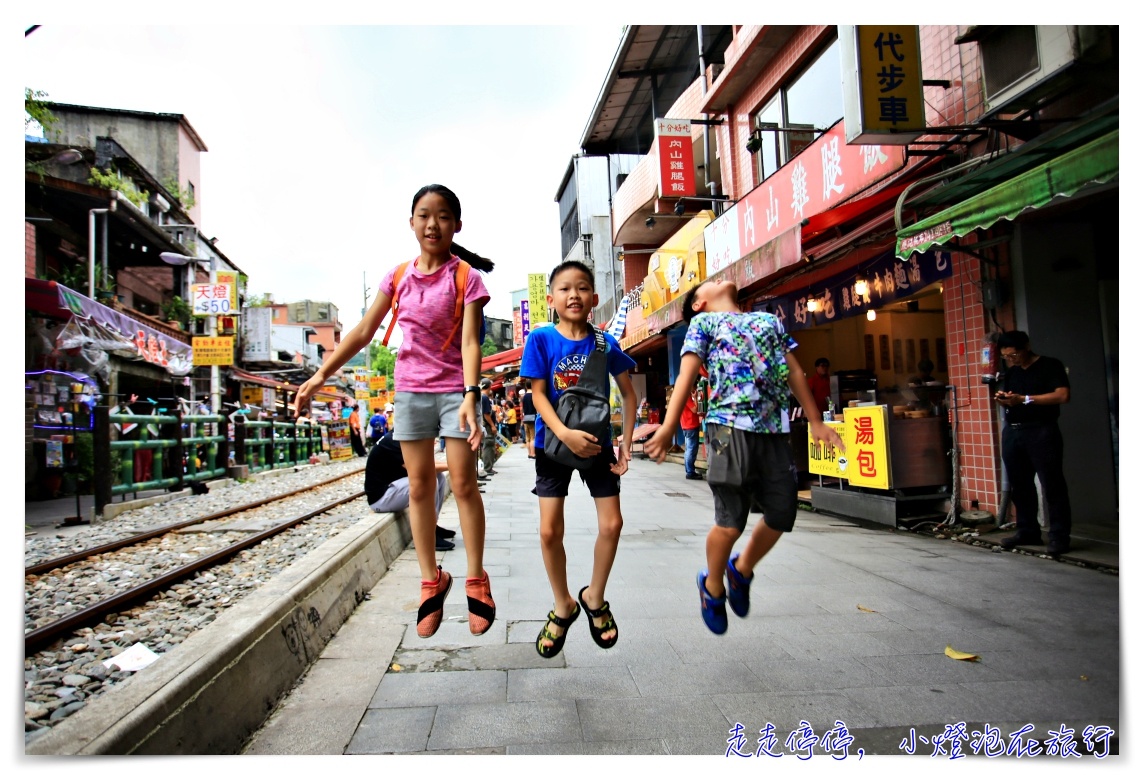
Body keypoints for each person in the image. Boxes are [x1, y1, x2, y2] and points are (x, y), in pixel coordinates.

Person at [295, 183, 495, 639]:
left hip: (454, 392)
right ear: (411, 223)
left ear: (456, 225)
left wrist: (471, 393)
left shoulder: (466, 278)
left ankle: (477, 579)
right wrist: (321, 375)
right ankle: (431, 580)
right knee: (421, 487)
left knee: (463, 482)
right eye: (424, 215)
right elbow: (364, 331)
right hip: (410, 394)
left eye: (443, 216)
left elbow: (470, 341)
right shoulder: (398, 276)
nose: (432, 224)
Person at [644, 278, 845, 635]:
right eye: (708, 283)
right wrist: (667, 426)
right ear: (699, 304)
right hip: (727, 429)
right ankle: (712, 587)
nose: (719, 279)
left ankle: (742, 569)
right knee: (731, 522)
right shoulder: (704, 324)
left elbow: (794, 371)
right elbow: (687, 377)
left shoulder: (768, 321)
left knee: (783, 513)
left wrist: (816, 421)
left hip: (773, 433)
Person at [519, 260, 638, 658]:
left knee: (613, 523)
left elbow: (629, 394)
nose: (574, 295)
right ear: (550, 299)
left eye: (583, 287)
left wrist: (625, 444)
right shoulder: (541, 340)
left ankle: (595, 597)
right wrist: (564, 433)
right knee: (550, 531)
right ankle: (562, 603)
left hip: (598, 445)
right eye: (566, 289)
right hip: (554, 446)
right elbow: (538, 395)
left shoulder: (605, 344)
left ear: (595, 298)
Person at [993, 330, 1073, 555]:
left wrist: (1025, 399)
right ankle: (1027, 530)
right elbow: (1012, 400)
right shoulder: (1012, 372)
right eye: (1007, 356)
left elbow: (1063, 395)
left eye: (1014, 354)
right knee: (1020, 485)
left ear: (1026, 346)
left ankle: (1059, 536)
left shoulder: (1050, 365)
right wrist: (1005, 401)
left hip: (1041, 430)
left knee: (1052, 483)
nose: (1012, 359)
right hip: (1014, 431)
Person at [366, 430, 456, 551]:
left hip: (392, 490)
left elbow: (429, 463)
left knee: (439, 477)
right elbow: (421, 469)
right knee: (427, 480)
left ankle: (432, 526)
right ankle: (427, 535)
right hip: (381, 499)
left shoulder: (401, 437)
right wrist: (457, 465)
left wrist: (452, 464)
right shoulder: (395, 442)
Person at [679, 379, 703, 481]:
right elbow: (695, 409)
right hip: (691, 426)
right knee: (691, 450)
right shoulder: (687, 397)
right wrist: (695, 398)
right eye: (695, 387)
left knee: (688, 449)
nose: (695, 389)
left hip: (686, 425)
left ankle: (689, 470)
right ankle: (690, 472)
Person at [479, 379, 498, 477]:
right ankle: (487, 467)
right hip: (487, 425)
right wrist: (492, 425)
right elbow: (486, 414)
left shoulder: (481, 397)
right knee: (488, 446)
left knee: (486, 445)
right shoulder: (485, 398)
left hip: (483, 425)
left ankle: (487, 466)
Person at [519, 379, 537, 458]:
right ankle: (533, 454)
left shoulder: (524, 397)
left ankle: (529, 453)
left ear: (526, 386)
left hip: (526, 418)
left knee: (528, 437)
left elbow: (522, 408)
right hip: (533, 417)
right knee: (533, 437)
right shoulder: (534, 395)